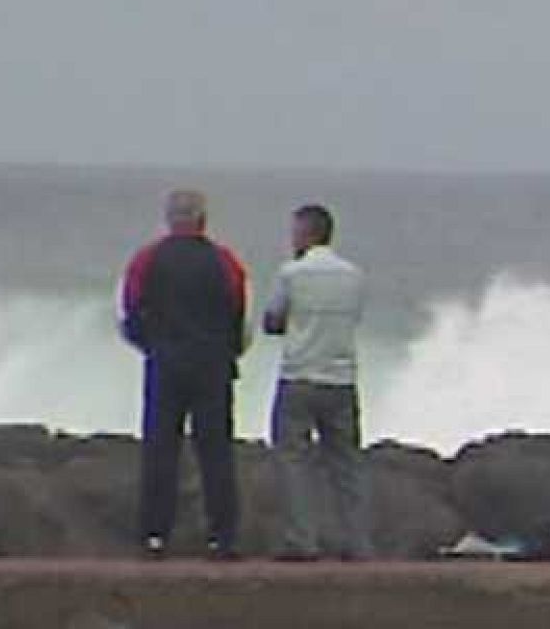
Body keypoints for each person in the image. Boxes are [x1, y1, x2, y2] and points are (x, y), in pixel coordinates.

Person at [120, 189, 249, 560]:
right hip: (212, 366)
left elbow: (130, 312)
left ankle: (155, 534)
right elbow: (238, 313)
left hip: (166, 365)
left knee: (161, 449)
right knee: (216, 452)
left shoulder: (147, 259)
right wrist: (227, 350)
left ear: (169, 219)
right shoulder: (225, 261)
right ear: (203, 220)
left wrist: (151, 345)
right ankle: (222, 536)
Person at [262, 204, 374, 562]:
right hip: (341, 378)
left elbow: (273, 319)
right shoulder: (353, 275)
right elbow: (354, 317)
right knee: (346, 464)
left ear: (307, 234)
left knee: (294, 459)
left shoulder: (292, 274)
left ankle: (302, 540)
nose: (292, 238)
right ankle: (357, 542)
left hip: (299, 376)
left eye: (295, 232)